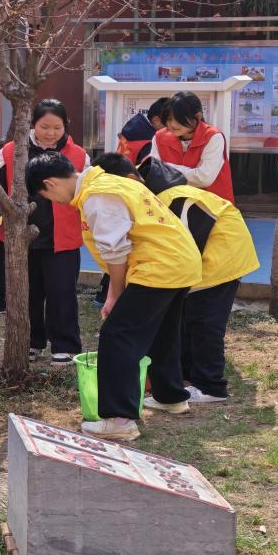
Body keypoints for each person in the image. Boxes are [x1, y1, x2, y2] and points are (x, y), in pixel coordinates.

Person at [28, 152, 202, 441]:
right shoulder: (110, 183)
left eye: (46, 195)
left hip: (158, 267)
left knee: (117, 335)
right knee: (162, 332)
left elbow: (115, 250)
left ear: (50, 184)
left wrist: (114, 295)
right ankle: (170, 396)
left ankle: (119, 420)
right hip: (180, 261)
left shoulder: (98, 195)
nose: (54, 201)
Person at [96, 153, 259, 404]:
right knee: (181, 321)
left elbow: (182, 243)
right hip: (198, 262)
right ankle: (185, 379)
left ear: (130, 180)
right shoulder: (149, 193)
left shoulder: (169, 199)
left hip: (220, 259)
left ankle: (211, 386)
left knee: (204, 323)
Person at [0, 99, 89, 363]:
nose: (50, 133)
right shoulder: (11, 152)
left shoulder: (80, 156)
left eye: (57, 127)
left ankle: (66, 344)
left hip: (63, 236)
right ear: (32, 125)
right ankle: (31, 341)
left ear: (66, 126)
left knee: (62, 292)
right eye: (44, 127)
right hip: (20, 236)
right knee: (28, 292)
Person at [150, 91, 234, 202]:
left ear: (198, 117)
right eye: (169, 119)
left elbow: (204, 179)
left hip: (212, 207)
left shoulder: (213, 137)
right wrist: (193, 172)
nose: (173, 124)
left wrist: (166, 168)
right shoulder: (159, 137)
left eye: (179, 119)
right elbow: (153, 173)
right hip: (171, 206)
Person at [117, 97, 169, 166]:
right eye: (169, 120)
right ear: (156, 120)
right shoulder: (149, 142)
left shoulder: (132, 131)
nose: (172, 125)